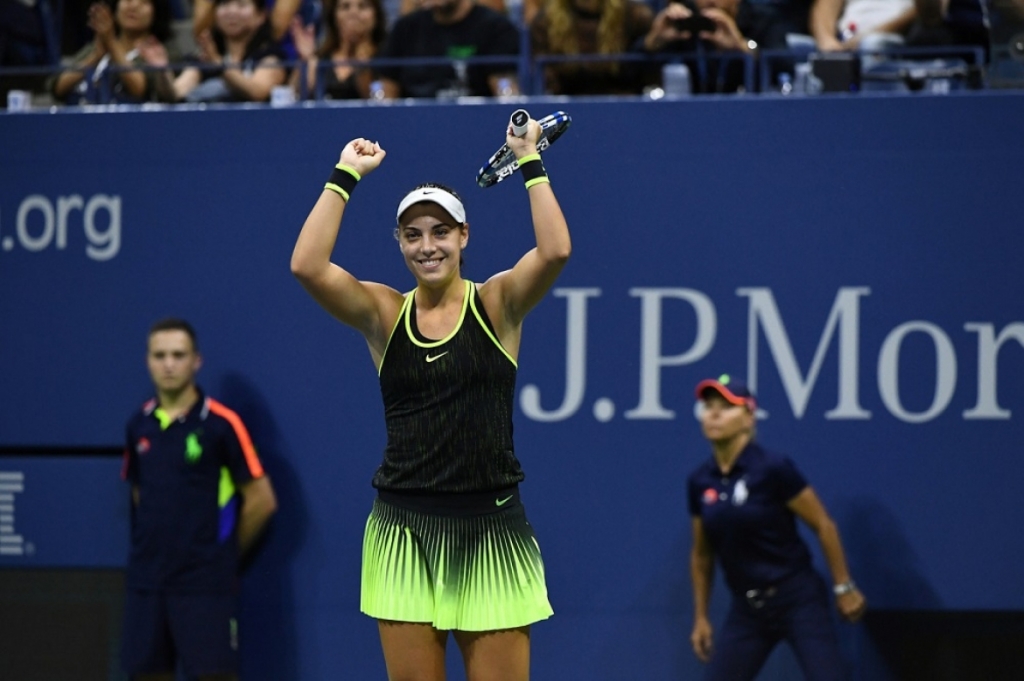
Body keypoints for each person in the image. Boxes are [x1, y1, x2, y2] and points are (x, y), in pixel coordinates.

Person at [289, 116, 570, 680]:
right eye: (413, 235)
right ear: (398, 242)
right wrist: (345, 174)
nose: (427, 246)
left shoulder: (497, 305)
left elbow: (556, 250)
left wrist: (530, 159)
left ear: (464, 237)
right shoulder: (385, 314)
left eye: (441, 232)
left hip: (492, 530)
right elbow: (307, 266)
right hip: (402, 534)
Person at [121, 318, 278, 680]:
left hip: (204, 586)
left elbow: (262, 499)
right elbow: (137, 493)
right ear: (148, 361)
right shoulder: (138, 425)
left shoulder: (222, 424)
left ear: (196, 361)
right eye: (160, 355)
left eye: (178, 354)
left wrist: (219, 555)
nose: (169, 364)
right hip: (147, 583)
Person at [687, 375, 866, 681]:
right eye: (708, 407)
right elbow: (702, 555)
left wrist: (844, 586)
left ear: (748, 417)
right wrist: (701, 617)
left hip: (797, 599)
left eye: (726, 407)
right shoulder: (700, 481)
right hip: (748, 611)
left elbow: (823, 525)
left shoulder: (773, 468)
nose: (713, 414)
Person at [373, 0, 521, 98]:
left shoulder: (496, 28)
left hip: (474, 122)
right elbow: (385, 94)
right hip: (414, 124)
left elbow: (505, 95)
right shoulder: (406, 28)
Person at [50, 0, 179, 104]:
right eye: (127, 0)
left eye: (144, 2)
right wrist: (95, 57)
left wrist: (111, 43)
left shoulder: (161, 52)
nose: (134, 5)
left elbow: (139, 89)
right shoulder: (96, 47)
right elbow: (57, 88)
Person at [528, 0, 655, 95]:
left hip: (624, 106)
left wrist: (649, 44)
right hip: (566, 108)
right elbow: (544, 79)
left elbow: (645, 75)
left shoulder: (634, 16)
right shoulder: (545, 21)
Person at [173, 0, 287, 103]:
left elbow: (258, 92)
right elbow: (176, 93)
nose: (232, 12)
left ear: (261, 15)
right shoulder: (206, 57)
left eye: (241, 5)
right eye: (224, 4)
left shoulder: (269, 56)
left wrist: (219, 65)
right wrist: (161, 70)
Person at [642, 0, 757, 93]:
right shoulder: (680, 22)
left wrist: (741, 47)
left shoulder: (760, 18)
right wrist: (653, 42)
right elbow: (632, 77)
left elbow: (771, 73)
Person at [289, 0, 387, 100]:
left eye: (363, 6)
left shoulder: (387, 56)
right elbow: (293, 99)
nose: (353, 13)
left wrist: (362, 65)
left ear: (376, 14)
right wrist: (305, 60)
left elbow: (382, 103)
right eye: (345, 7)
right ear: (333, 16)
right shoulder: (320, 59)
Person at [810, 0, 916, 52]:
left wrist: (864, 38)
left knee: (872, 44)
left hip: (892, 39)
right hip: (845, 38)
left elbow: (921, 12)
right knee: (797, 46)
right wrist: (828, 41)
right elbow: (826, 6)